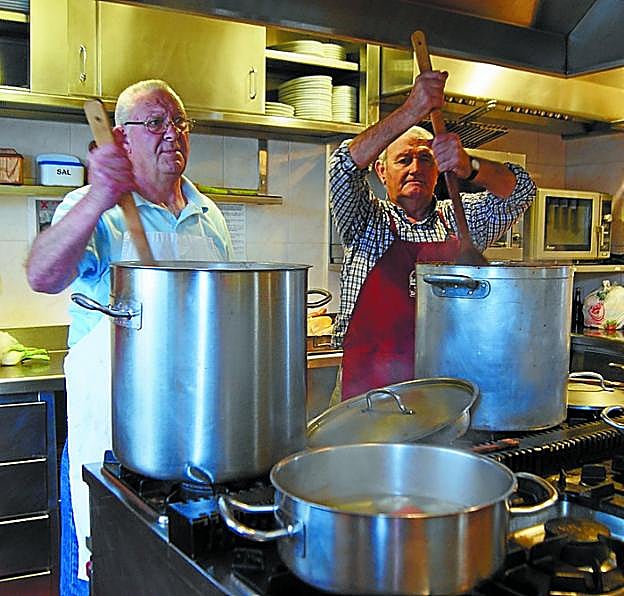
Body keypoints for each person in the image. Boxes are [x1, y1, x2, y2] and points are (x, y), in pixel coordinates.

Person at [26, 79, 233, 595]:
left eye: (179, 122)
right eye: (156, 123)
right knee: (105, 573)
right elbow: (42, 274)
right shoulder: (93, 208)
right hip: (112, 444)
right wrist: (100, 194)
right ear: (121, 138)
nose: (172, 134)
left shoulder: (208, 217)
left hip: (190, 437)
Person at [329, 70, 536, 402]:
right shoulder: (367, 220)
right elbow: (342, 167)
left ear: (439, 170)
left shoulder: (461, 221)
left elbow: (521, 191)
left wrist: (470, 166)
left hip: (443, 389)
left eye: (426, 159)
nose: (416, 168)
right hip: (367, 393)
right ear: (381, 172)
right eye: (403, 160)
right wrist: (412, 110)